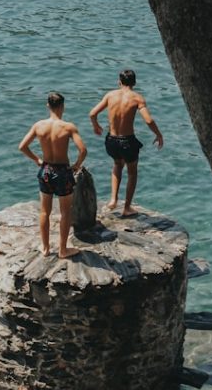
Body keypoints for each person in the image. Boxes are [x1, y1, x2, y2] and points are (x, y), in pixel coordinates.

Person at [19, 92, 88, 258]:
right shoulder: (68, 127)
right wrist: (76, 165)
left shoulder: (39, 126)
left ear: (48, 106)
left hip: (46, 171)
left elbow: (22, 146)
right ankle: (63, 250)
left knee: (44, 212)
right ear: (62, 106)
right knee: (65, 212)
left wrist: (37, 160)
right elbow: (83, 150)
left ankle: (45, 248)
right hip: (63, 172)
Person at [89, 69, 163, 217]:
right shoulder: (137, 98)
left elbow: (92, 113)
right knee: (132, 172)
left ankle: (113, 200)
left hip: (111, 140)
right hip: (128, 141)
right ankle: (127, 208)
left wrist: (95, 125)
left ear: (119, 81)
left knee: (117, 165)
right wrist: (158, 134)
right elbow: (148, 120)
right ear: (134, 83)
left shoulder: (110, 95)